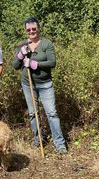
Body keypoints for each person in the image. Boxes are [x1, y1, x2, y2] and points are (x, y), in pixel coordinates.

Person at [12, 17, 67, 154]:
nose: (31, 31)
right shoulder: (22, 44)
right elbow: (15, 66)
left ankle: (59, 144)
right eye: (28, 29)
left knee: (52, 113)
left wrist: (35, 64)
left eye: (34, 29)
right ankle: (38, 139)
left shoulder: (46, 44)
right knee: (33, 113)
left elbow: (52, 62)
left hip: (45, 84)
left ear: (38, 29)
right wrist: (20, 55)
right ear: (26, 30)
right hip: (28, 84)